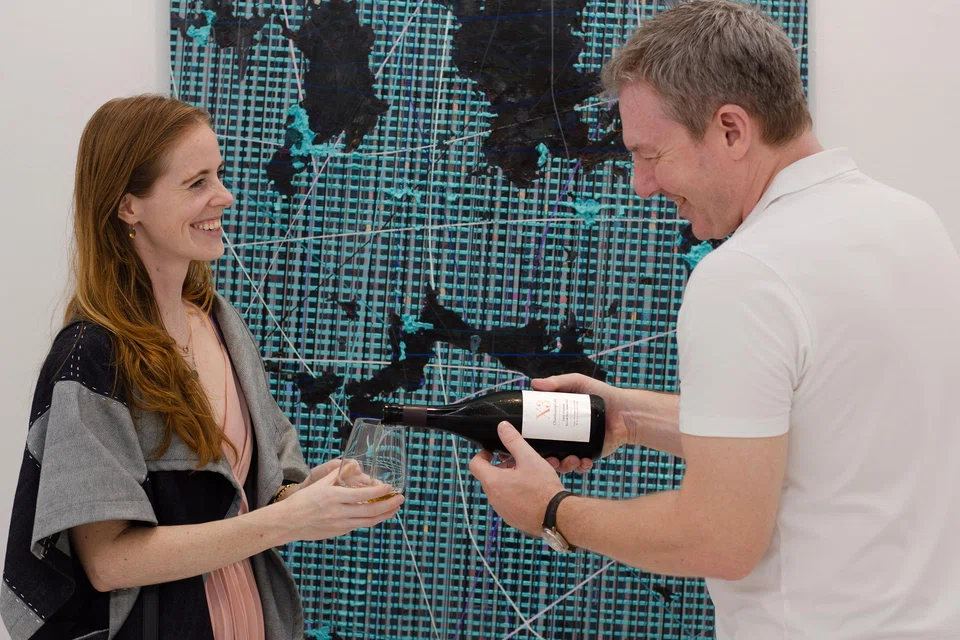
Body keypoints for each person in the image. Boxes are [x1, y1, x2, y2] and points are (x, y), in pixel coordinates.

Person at [469, 2, 960, 638]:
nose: (643, 185)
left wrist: (552, 511)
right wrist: (629, 416)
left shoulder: (748, 275)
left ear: (731, 129)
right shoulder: (912, 223)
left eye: (653, 155)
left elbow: (720, 538)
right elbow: (825, 428)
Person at [1, 95, 404, 640]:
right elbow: (110, 561)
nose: (225, 196)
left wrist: (310, 493)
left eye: (219, 173)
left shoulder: (218, 321)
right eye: (196, 183)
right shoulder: (92, 355)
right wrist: (288, 520)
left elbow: (252, 492)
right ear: (127, 207)